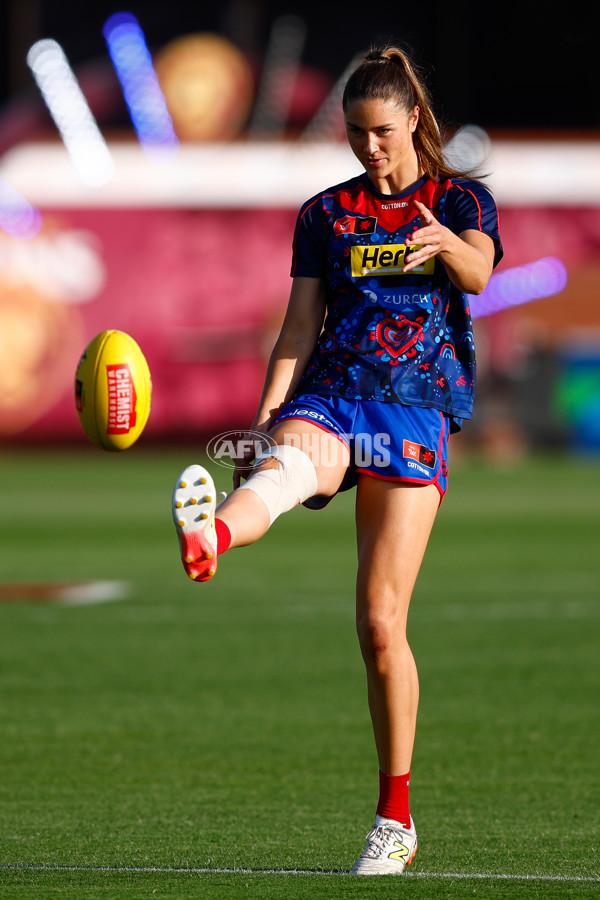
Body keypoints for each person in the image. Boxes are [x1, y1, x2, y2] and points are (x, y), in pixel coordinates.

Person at [172, 44, 502, 875]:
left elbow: (482, 274)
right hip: (331, 393)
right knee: (280, 472)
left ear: (414, 120)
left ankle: (395, 821)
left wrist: (443, 244)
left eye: (382, 132)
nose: (369, 149)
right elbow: (296, 327)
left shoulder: (460, 198)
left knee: (380, 625)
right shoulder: (326, 215)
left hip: (413, 406)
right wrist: (266, 414)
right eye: (357, 134)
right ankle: (211, 536)